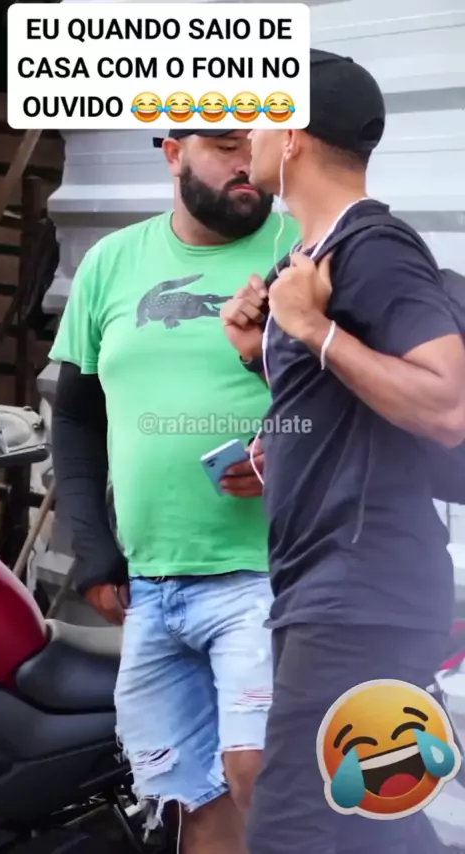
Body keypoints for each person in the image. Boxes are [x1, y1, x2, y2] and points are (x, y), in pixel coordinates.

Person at [221, 49, 465, 854]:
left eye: (261, 120)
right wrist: (263, 356)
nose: (249, 137)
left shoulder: (374, 248)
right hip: (330, 587)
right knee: (371, 826)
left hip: (361, 595)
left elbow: (447, 403)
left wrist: (311, 329)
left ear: (293, 134)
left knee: (290, 829)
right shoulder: (310, 257)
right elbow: (347, 409)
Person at [48, 127, 299, 854]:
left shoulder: (305, 253)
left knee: (262, 781)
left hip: (269, 575)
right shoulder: (112, 261)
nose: (245, 162)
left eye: (254, 143)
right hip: (154, 586)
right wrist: (93, 547)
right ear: (172, 153)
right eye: (223, 145)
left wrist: (287, 452)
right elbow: (75, 415)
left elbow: (363, 402)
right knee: (193, 800)